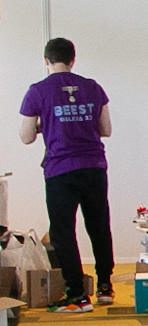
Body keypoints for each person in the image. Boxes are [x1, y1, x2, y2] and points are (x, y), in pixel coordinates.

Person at [17, 38, 114, 311]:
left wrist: (42, 125)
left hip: (60, 169)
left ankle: (77, 294)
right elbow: (105, 129)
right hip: (94, 167)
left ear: (46, 60)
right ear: (73, 60)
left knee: (63, 232)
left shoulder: (38, 91)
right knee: (98, 225)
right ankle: (105, 286)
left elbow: (26, 137)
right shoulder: (93, 87)